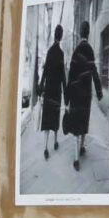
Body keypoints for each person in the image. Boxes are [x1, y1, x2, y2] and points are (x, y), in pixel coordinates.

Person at [64, 21, 103, 173]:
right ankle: (81, 148)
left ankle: (76, 159)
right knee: (83, 121)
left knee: (75, 125)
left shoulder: (76, 51)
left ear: (80, 33)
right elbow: (94, 72)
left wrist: (67, 98)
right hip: (86, 94)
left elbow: (70, 76)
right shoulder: (91, 51)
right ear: (88, 33)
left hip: (75, 94)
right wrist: (99, 92)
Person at [37, 26, 67, 159]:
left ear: (54, 35)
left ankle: (45, 147)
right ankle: (55, 142)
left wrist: (40, 87)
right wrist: (66, 96)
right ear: (61, 37)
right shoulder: (61, 53)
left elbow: (44, 72)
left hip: (48, 90)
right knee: (55, 118)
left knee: (47, 118)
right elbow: (63, 76)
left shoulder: (49, 52)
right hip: (56, 92)